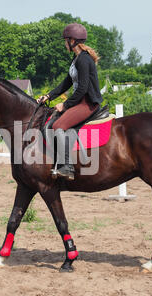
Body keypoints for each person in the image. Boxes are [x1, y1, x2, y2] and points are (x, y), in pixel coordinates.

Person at [37, 23, 103, 180]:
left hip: (87, 103)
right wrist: (49, 96)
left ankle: (67, 166)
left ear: (72, 41)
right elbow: (66, 83)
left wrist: (65, 105)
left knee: (58, 125)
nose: (64, 44)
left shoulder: (83, 60)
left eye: (65, 40)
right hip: (80, 101)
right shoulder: (77, 58)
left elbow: (82, 89)